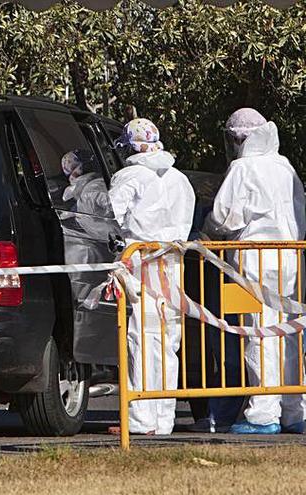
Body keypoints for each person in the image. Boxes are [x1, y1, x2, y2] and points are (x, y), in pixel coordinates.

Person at [202, 108, 306, 435]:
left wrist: (207, 230)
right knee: (289, 334)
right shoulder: (285, 167)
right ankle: (294, 410)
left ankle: (263, 412)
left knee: (259, 335)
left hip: (255, 262)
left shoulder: (243, 168)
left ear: (237, 138)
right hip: (291, 260)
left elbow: (224, 216)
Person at [109, 118, 195, 435]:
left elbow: (110, 219)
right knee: (167, 342)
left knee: (142, 339)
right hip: (172, 263)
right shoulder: (179, 179)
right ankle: (163, 419)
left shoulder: (130, 176)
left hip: (141, 263)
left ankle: (141, 420)